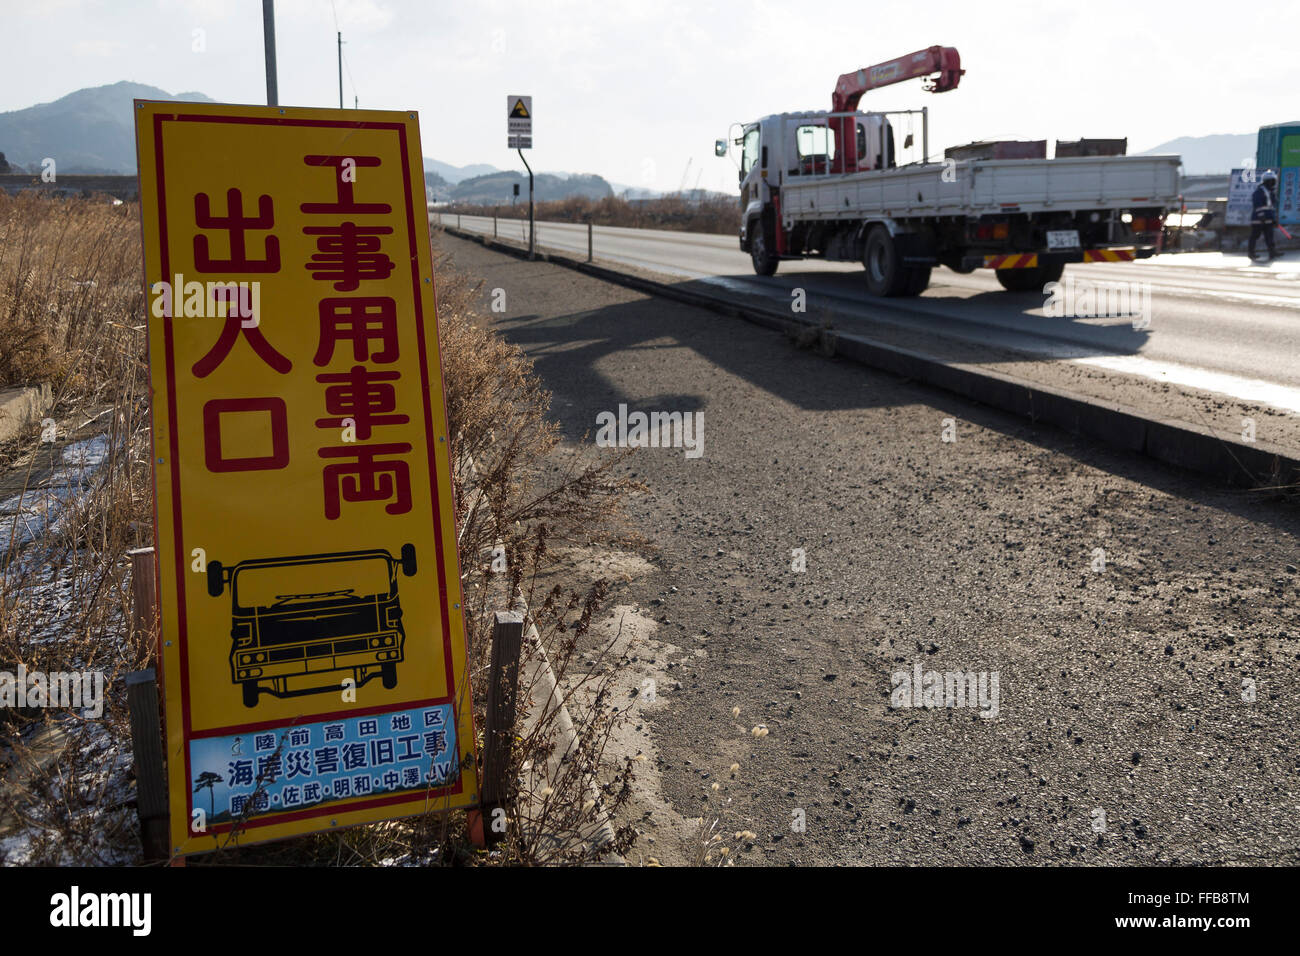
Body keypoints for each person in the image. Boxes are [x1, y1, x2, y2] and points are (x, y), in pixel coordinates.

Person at [1249, 171, 1279, 261]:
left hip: (1268, 219)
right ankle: (1251, 253)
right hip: (1258, 220)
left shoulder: (1270, 192)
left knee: (1269, 236)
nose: (1273, 183)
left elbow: (1271, 207)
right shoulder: (1260, 191)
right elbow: (1257, 203)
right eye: (1272, 181)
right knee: (1255, 236)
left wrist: (1273, 219)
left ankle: (1272, 252)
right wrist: (1261, 215)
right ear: (1267, 181)